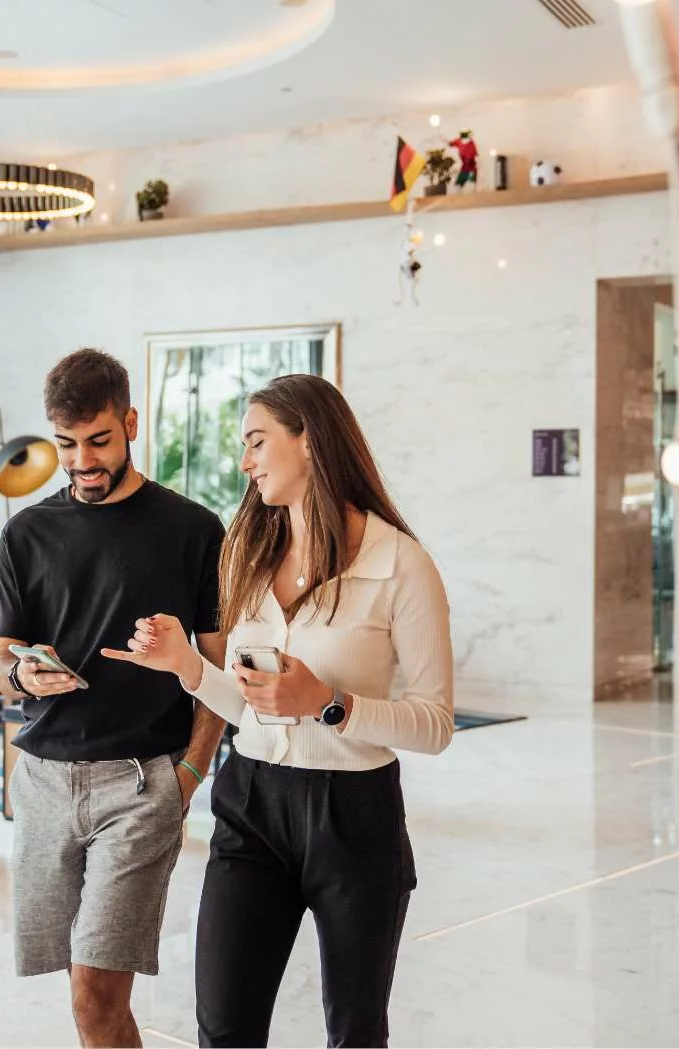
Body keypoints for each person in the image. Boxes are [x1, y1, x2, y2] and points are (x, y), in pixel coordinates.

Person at [103, 374, 454, 1048]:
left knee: (354, 1032)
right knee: (224, 1026)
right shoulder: (249, 554)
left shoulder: (402, 564)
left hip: (355, 818)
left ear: (311, 442)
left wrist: (330, 704)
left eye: (257, 442)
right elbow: (252, 708)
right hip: (251, 803)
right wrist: (186, 665)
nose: (244, 462)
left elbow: (435, 722)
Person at [0, 348, 228, 1049]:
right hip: (42, 782)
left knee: (96, 992)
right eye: (66, 445)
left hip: (140, 783)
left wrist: (186, 778)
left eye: (99, 441)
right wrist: (24, 677)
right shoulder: (26, 532)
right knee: (82, 992)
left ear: (131, 423)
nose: (82, 461)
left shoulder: (192, 530)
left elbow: (214, 671)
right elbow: (1, 660)